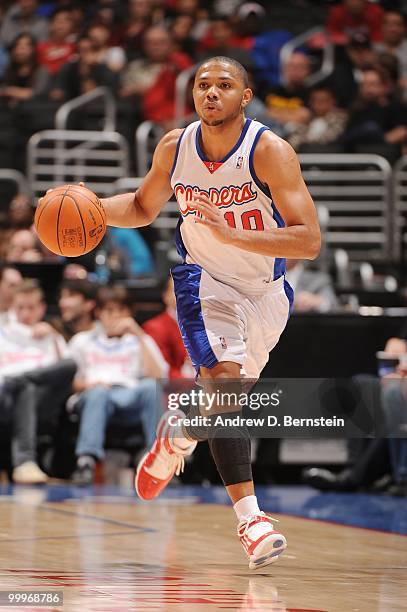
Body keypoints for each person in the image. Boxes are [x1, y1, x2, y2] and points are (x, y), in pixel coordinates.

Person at [88, 55, 321, 569]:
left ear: (246, 95)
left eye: (224, 85)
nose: (210, 93)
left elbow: (308, 241)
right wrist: (94, 207)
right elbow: (145, 207)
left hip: (266, 292)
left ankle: (177, 435)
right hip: (204, 285)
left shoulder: (270, 152)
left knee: (222, 407)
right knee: (227, 388)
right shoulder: (175, 146)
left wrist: (232, 232)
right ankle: (251, 520)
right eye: (202, 85)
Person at [69, 285, 168, 485]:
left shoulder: (140, 340)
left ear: (130, 313)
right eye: (110, 311)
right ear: (98, 313)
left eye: (122, 311)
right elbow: (68, 382)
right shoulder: (82, 341)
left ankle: (158, 460)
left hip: (130, 395)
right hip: (95, 395)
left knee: (151, 387)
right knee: (98, 394)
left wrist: (138, 334)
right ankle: (86, 462)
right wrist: (89, 385)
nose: (116, 316)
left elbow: (159, 377)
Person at [0, 280, 73, 484]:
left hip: (44, 403)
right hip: (5, 399)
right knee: (25, 389)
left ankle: (21, 380)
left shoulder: (52, 335)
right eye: (20, 308)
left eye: (31, 308)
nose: (25, 313)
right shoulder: (3, 332)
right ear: (13, 308)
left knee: (69, 364)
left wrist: (53, 335)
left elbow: (67, 370)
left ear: (41, 308)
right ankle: (24, 463)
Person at [143, 276, 194, 379]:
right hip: (180, 389)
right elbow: (163, 372)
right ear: (166, 296)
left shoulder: (204, 323)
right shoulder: (155, 327)